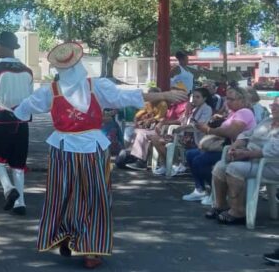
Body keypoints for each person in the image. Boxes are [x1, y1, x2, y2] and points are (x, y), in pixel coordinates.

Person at [12, 42, 186, 269]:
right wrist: (164, 94)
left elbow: (23, 108)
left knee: (64, 194)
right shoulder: (92, 87)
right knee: (93, 196)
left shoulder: (53, 91)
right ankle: (88, 246)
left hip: (67, 148)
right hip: (86, 148)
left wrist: (10, 110)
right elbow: (124, 97)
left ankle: (68, 236)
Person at [0, 31, 34, 215]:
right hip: (22, 122)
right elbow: (31, 98)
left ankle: (7, 187)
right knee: (18, 163)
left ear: (5, 46)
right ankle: (20, 203)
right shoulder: (27, 71)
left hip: (1, 120)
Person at [206, 97, 279, 225]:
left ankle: (238, 211)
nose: (272, 107)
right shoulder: (267, 121)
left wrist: (246, 154)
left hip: (270, 165)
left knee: (234, 168)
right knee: (220, 166)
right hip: (252, 159)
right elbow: (248, 133)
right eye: (273, 104)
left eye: (276, 105)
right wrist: (237, 145)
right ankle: (221, 205)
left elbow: (272, 151)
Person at [182, 86, 257, 203]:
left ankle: (216, 192)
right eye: (227, 99)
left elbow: (231, 132)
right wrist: (221, 119)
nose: (228, 102)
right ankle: (200, 189)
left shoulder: (245, 112)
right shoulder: (234, 113)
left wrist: (208, 130)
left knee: (199, 160)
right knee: (191, 154)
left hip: (237, 150)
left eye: (231, 99)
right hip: (225, 146)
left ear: (242, 100)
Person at [147, 87, 214, 176]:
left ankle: (175, 164)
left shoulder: (207, 109)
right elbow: (182, 120)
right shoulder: (193, 109)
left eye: (197, 97)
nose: (194, 99)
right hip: (184, 136)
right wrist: (187, 111)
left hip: (195, 138)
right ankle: (167, 165)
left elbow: (199, 126)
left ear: (204, 98)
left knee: (160, 140)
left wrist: (182, 128)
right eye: (193, 97)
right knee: (154, 138)